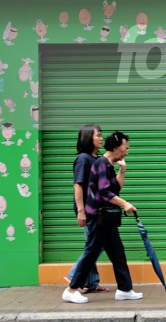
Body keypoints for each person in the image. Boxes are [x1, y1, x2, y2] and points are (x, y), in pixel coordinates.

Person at [62, 131, 143, 304]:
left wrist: (123, 169)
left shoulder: (108, 164)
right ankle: (71, 290)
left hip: (106, 219)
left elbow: (115, 189)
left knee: (117, 252)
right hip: (97, 217)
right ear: (116, 147)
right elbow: (105, 192)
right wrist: (125, 204)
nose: (127, 152)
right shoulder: (101, 164)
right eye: (125, 148)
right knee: (91, 253)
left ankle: (124, 289)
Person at [64, 124, 107, 293]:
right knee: (94, 246)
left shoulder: (96, 158)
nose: (101, 138)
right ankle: (75, 275)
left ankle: (91, 282)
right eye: (98, 135)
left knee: (93, 244)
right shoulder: (83, 159)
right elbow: (78, 186)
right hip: (88, 210)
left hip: (97, 209)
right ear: (89, 138)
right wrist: (81, 211)